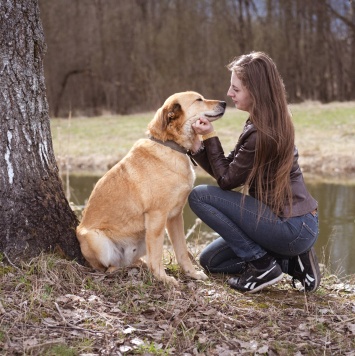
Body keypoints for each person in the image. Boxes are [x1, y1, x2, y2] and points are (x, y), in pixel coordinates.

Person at [188, 51, 321, 293]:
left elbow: (226, 181)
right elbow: (228, 169)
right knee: (212, 261)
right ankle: (293, 261)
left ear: (255, 91)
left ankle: (263, 266)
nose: (229, 94)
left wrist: (209, 136)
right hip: (297, 223)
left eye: (235, 89)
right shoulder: (266, 119)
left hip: (290, 227)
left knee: (200, 196)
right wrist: (199, 149)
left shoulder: (261, 132)